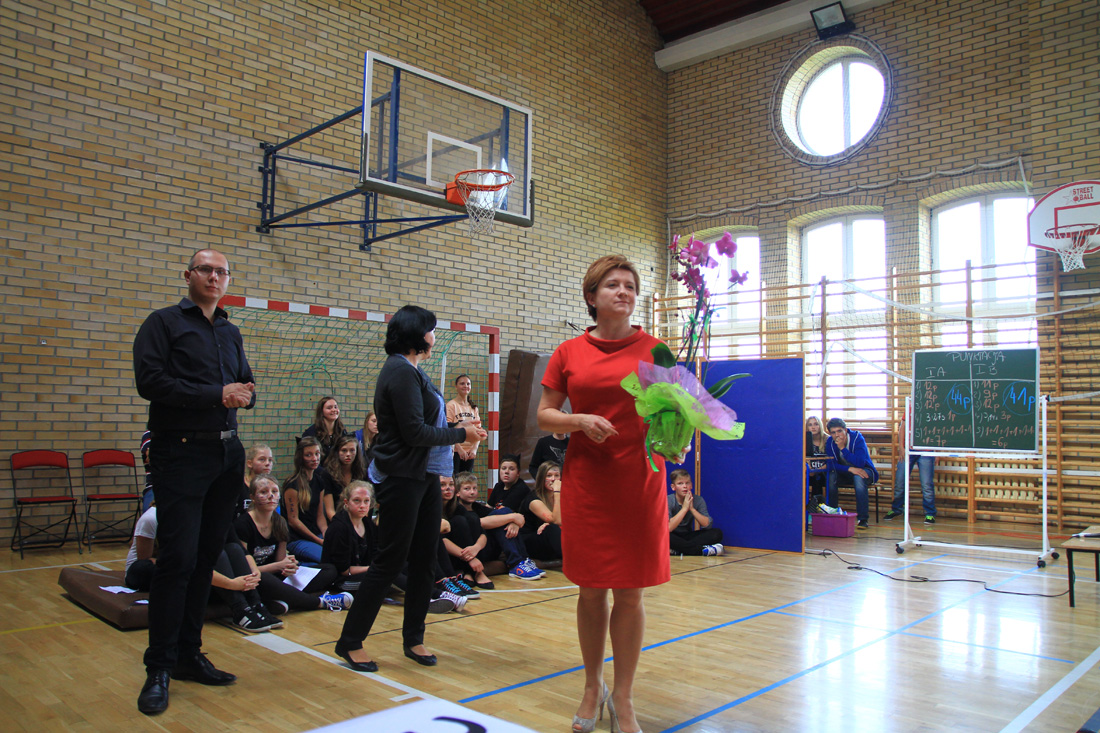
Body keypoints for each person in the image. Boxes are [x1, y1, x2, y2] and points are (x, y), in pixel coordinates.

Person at [537, 255, 670, 733]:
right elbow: (545, 414)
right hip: (589, 482)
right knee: (591, 590)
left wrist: (676, 436)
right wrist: (578, 420)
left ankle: (625, 697)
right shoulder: (569, 352)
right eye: (613, 284)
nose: (624, 291)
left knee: (630, 594)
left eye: (630, 285)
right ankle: (592, 686)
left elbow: (676, 412)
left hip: (639, 482)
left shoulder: (657, 350)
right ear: (592, 296)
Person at [132, 247, 256, 715]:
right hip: (180, 452)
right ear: (188, 275)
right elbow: (150, 382)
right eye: (206, 269)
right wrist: (217, 394)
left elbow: (245, 382)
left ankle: (188, 654)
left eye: (222, 272)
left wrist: (245, 393)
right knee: (177, 560)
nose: (214, 277)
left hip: (226, 454)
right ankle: (159, 667)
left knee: (205, 559)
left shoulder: (230, 330)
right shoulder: (163, 323)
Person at [332, 305, 486, 674]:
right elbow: (414, 432)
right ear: (417, 334)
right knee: (389, 561)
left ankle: (413, 637)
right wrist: (460, 433)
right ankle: (350, 641)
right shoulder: (399, 371)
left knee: (424, 559)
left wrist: (461, 433)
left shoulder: (415, 370)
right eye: (431, 329)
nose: (434, 336)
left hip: (425, 476)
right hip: (402, 477)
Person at [235, 474, 348, 614]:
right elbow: (245, 570)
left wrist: (288, 565)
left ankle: (282, 599)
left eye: (274, 491)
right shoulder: (243, 524)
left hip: (276, 577)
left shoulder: (280, 522)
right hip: (256, 578)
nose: (270, 496)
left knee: (329, 570)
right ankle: (319, 602)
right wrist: (278, 566)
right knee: (264, 578)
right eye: (264, 492)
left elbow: (280, 562)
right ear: (252, 497)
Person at [455, 470, 543, 581]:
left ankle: (523, 560)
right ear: (458, 493)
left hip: (488, 549)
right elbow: (477, 523)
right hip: (473, 550)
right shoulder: (457, 510)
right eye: (467, 489)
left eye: (474, 488)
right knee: (503, 515)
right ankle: (515, 562)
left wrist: (513, 523)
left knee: (504, 511)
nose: (472, 492)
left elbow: (518, 518)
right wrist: (512, 518)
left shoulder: (477, 507)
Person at [824, 417, 880, 530]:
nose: (837, 435)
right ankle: (832, 513)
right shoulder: (830, 442)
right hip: (846, 472)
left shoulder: (857, 438)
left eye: (839, 431)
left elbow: (860, 463)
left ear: (845, 430)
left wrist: (843, 449)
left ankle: (863, 519)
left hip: (865, 470)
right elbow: (831, 465)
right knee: (831, 476)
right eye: (833, 432)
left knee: (858, 477)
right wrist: (849, 469)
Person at [281, 437, 328, 564]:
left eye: (317, 454)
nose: (314, 458)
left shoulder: (319, 481)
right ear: (301, 457)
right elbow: (293, 521)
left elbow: (320, 516)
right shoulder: (292, 484)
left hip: (316, 533)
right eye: (308, 455)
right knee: (326, 559)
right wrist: (318, 541)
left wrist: (326, 533)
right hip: (297, 539)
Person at [667, 469, 724, 556]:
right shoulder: (668, 500)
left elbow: (707, 525)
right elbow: (668, 528)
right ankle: (701, 551)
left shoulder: (698, 500)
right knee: (664, 536)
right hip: (673, 535)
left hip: (688, 535)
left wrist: (692, 509)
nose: (685, 486)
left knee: (717, 533)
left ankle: (678, 550)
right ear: (673, 487)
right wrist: (684, 509)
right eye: (680, 483)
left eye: (687, 483)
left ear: (691, 485)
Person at [520, 461, 563, 562]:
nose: (553, 479)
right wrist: (557, 492)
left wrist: (548, 523)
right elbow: (557, 521)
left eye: (556, 475)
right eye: (549, 475)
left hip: (547, 537)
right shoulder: (534, 499)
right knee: (552, 528)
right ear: (542, 478)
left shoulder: (564, 496)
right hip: (530, 541)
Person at [322, 435, 367, 523]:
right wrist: (343, 526)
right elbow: (330, 510)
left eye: (352, 450)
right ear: (337, 452)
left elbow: (366, 505)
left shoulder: (362, 473)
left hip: (358, 520)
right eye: (344, 450)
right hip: (336, 521)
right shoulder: (327, 474)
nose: (348, 454)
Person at [884, 454, 938, 524]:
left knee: (927, 484)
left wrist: (936, 453)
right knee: (899, 482)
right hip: (908, 451)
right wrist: (901, 449)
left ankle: (930, 513)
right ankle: (897, 509)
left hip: (926, 451)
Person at [446, 374, 481, 475]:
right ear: (456, 386)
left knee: (467, 480)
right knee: (455, 479)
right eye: (462, 384)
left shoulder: (473, 408)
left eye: (468, 384)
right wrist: (459, 449)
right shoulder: (451, 405)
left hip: (470, 452)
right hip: (456, 451)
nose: (465, 386)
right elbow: (449, 428)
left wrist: (474, 449)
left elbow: (479, 430)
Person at [301, 395, 348, 460]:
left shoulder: (342, 431)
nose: (334, 410)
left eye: (335, 407)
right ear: (321, 412)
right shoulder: (311, 433)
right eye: (329, 408)